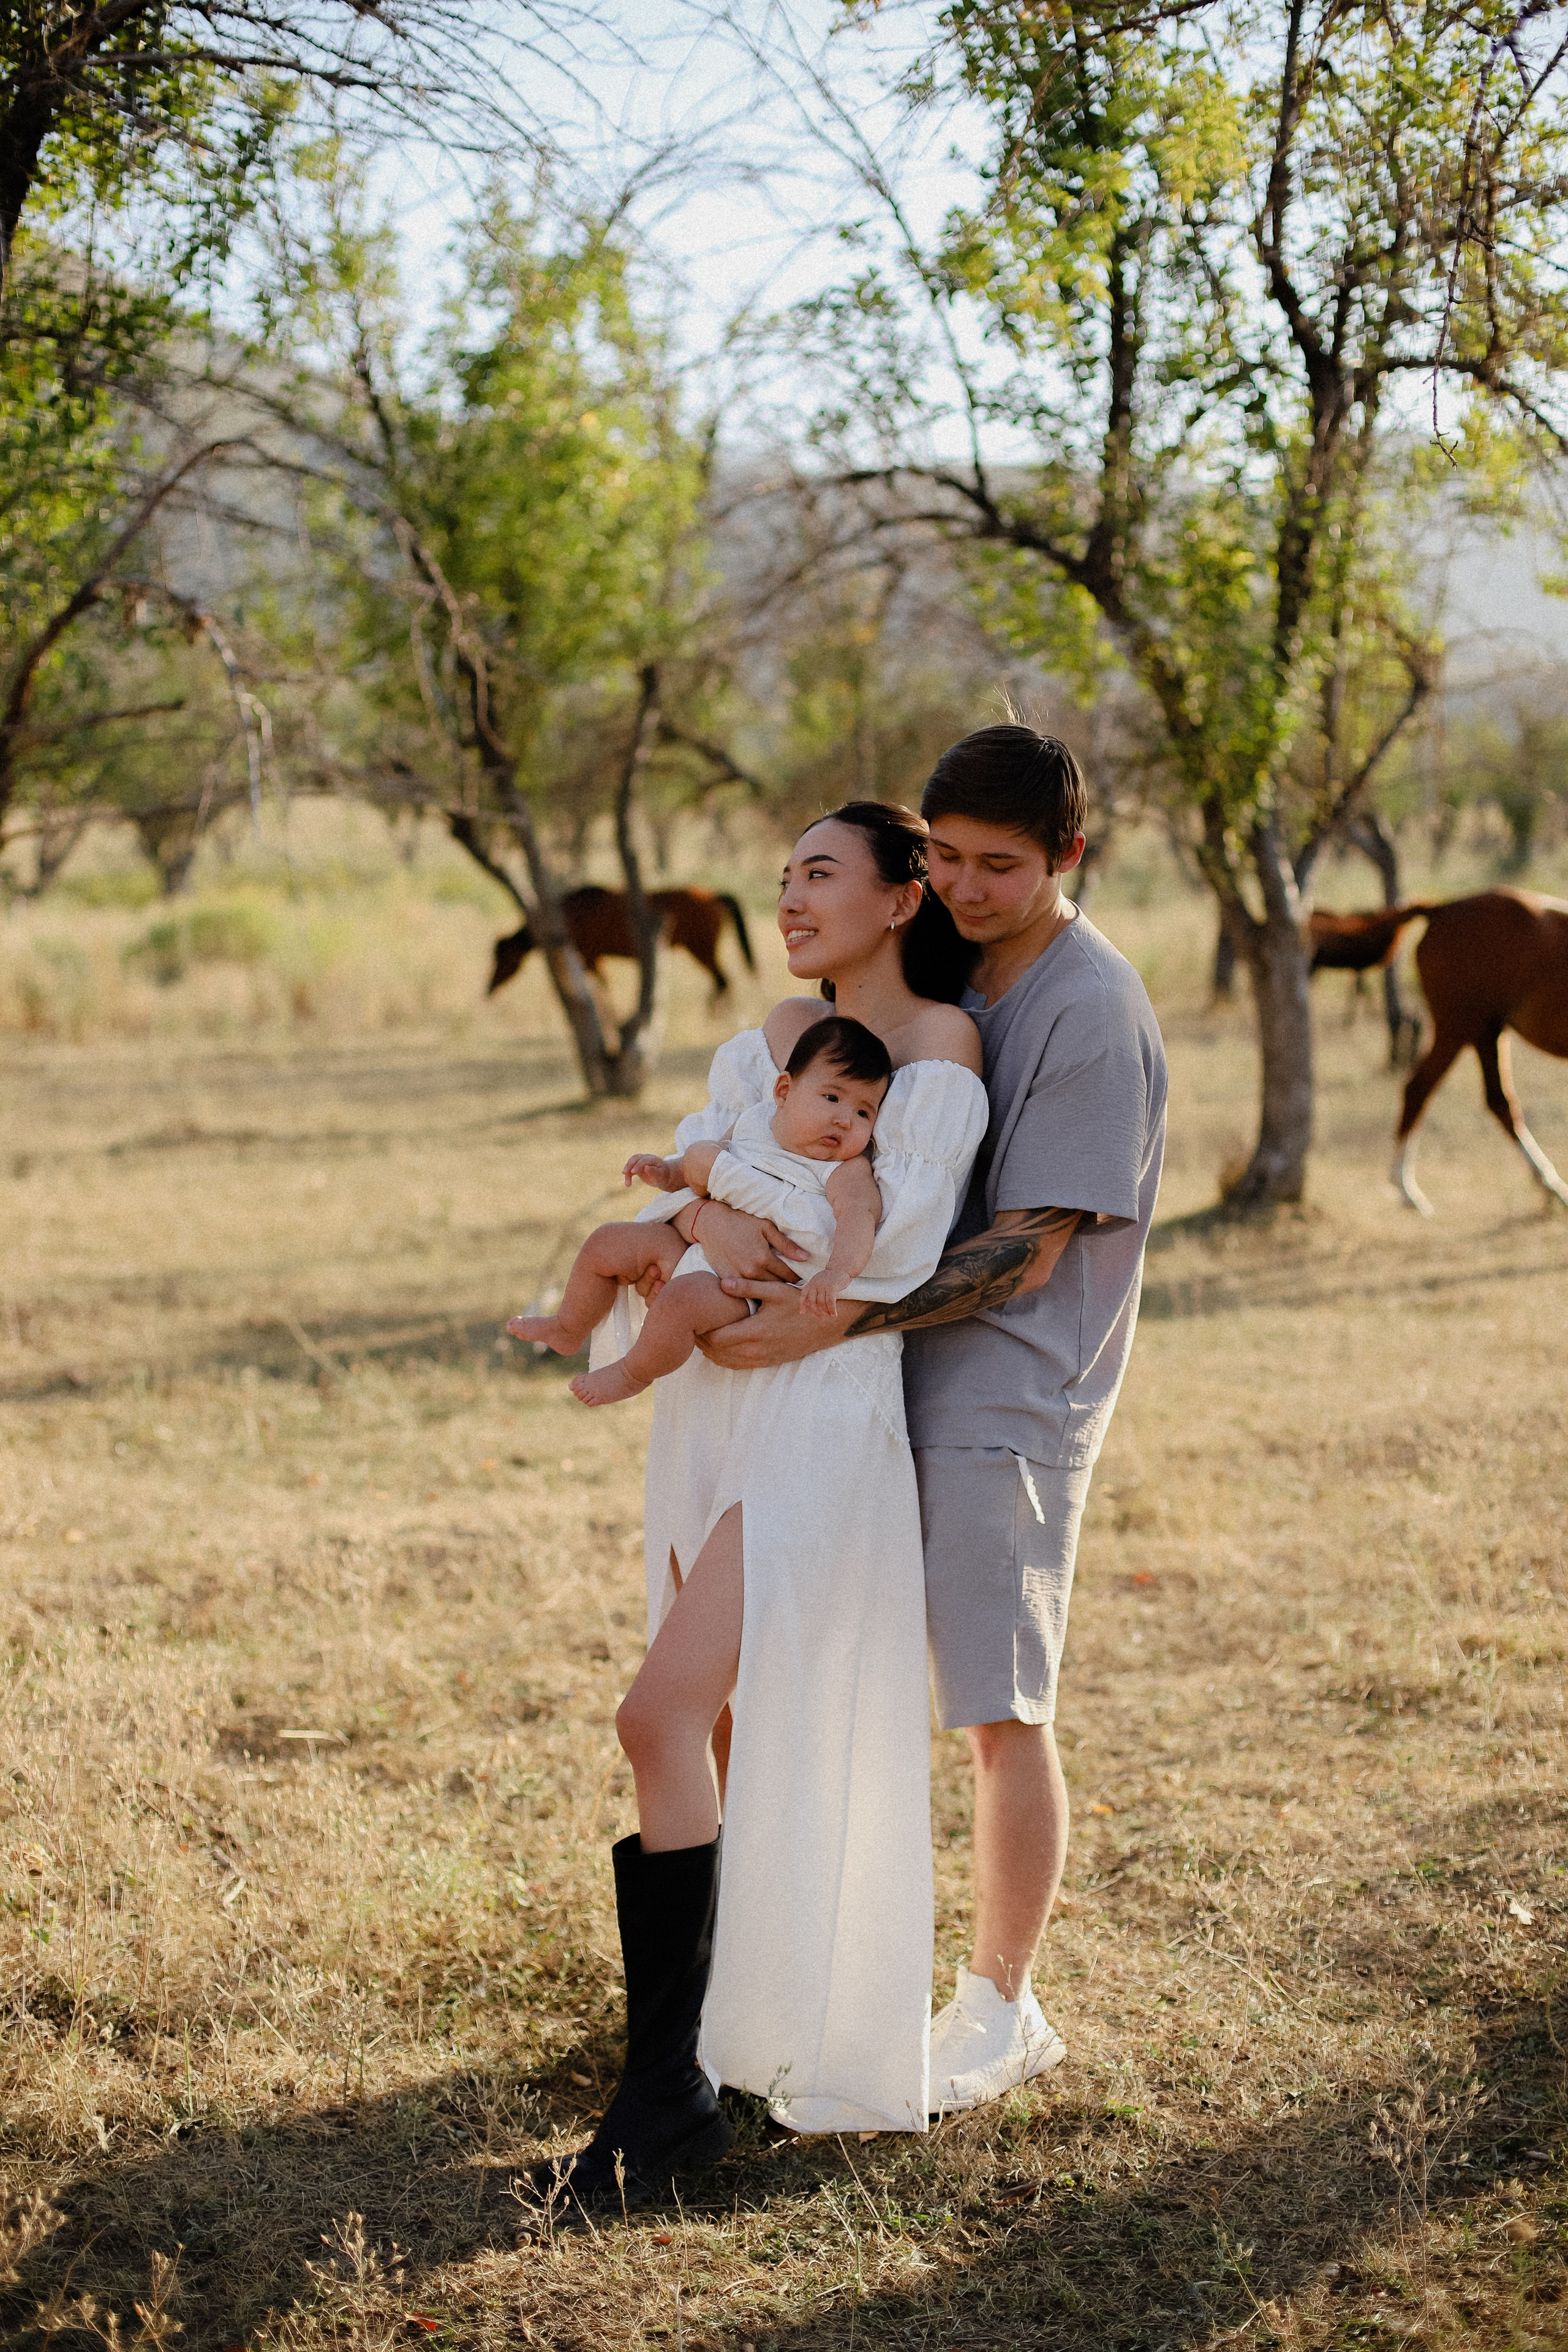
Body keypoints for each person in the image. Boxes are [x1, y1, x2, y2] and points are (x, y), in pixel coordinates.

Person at [706, 727, 1168, 2117]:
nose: (964, 889)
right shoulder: (961, 967)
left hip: (1006, 1391)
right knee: (813, 1673)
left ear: (1067, 859)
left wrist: (831, 1316)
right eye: (947, 859)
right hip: (882, 1380)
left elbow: (1025, 1248)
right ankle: (782, 1977)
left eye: (999, 868)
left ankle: (999, 2004)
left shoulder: (1088, 1008)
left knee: (994, 1705)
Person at [533, 802, 987, 2209]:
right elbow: (694, 1184)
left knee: (653, 1714)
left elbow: (881, 1252)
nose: (786, 897)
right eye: (783, 872)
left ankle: (662, 2096)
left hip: (816, 1424)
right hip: (708, 1410)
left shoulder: (935, 1060)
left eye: (819, 874)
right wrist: (697, 1220)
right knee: (712, 1724)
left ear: (902, 897)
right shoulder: (758, 1038)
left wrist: (730, 1220)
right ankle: (718, 2050)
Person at [506, 1017, 892, 1406]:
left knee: (681, 1302)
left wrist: (836, 1273)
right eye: (832, 1098)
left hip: (750, 1288)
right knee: (608, 1242)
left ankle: (631, 1373)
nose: (845, 1120)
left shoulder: (845, 1170)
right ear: (785, 1090)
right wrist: (668, 1171)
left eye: (865, 1113)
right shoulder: (755, 1122)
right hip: (699, 1246)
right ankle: (568, 1326)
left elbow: (859, 1219)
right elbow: (708, 1162)